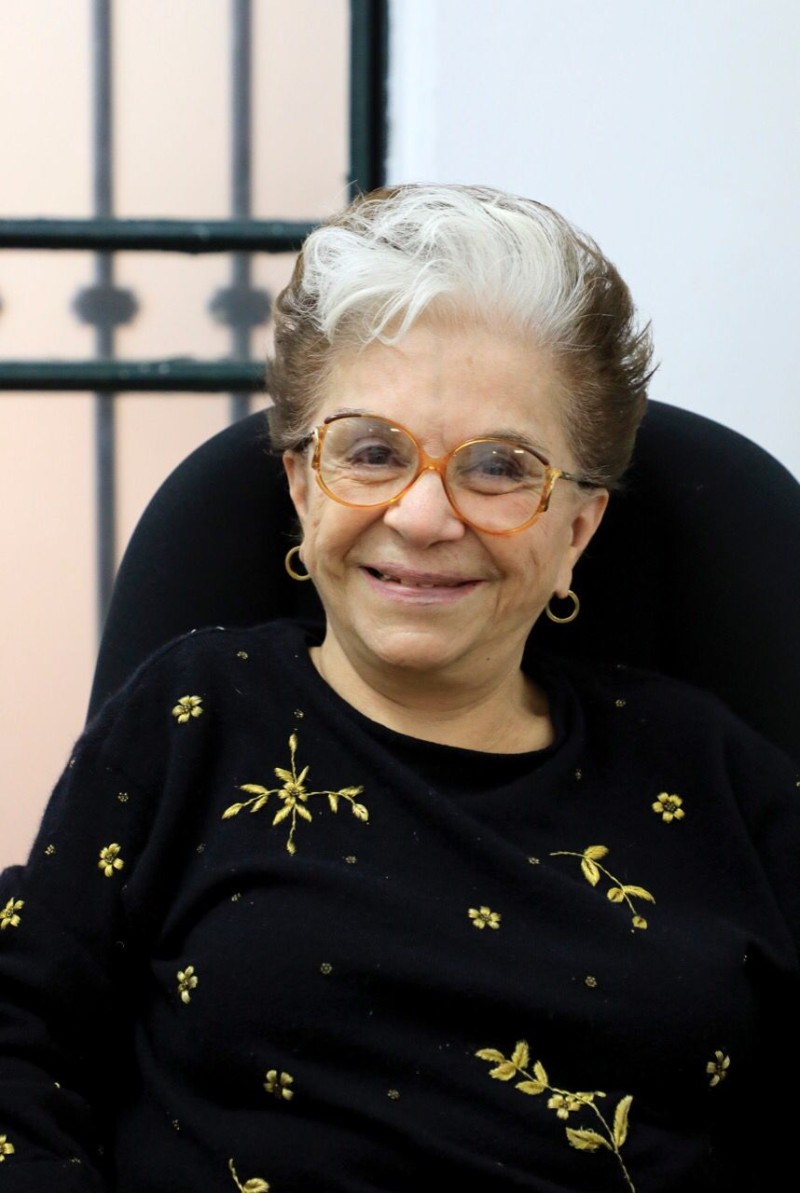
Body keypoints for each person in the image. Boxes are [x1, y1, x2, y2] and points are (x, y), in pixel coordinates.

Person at [0, 184, 797, 1193]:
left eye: (497, 467)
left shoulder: (712, 773)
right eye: (372, 453)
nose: (422, 517)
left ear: (578, 528)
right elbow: (18, 1039)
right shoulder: (194, 717)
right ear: (302, 484)